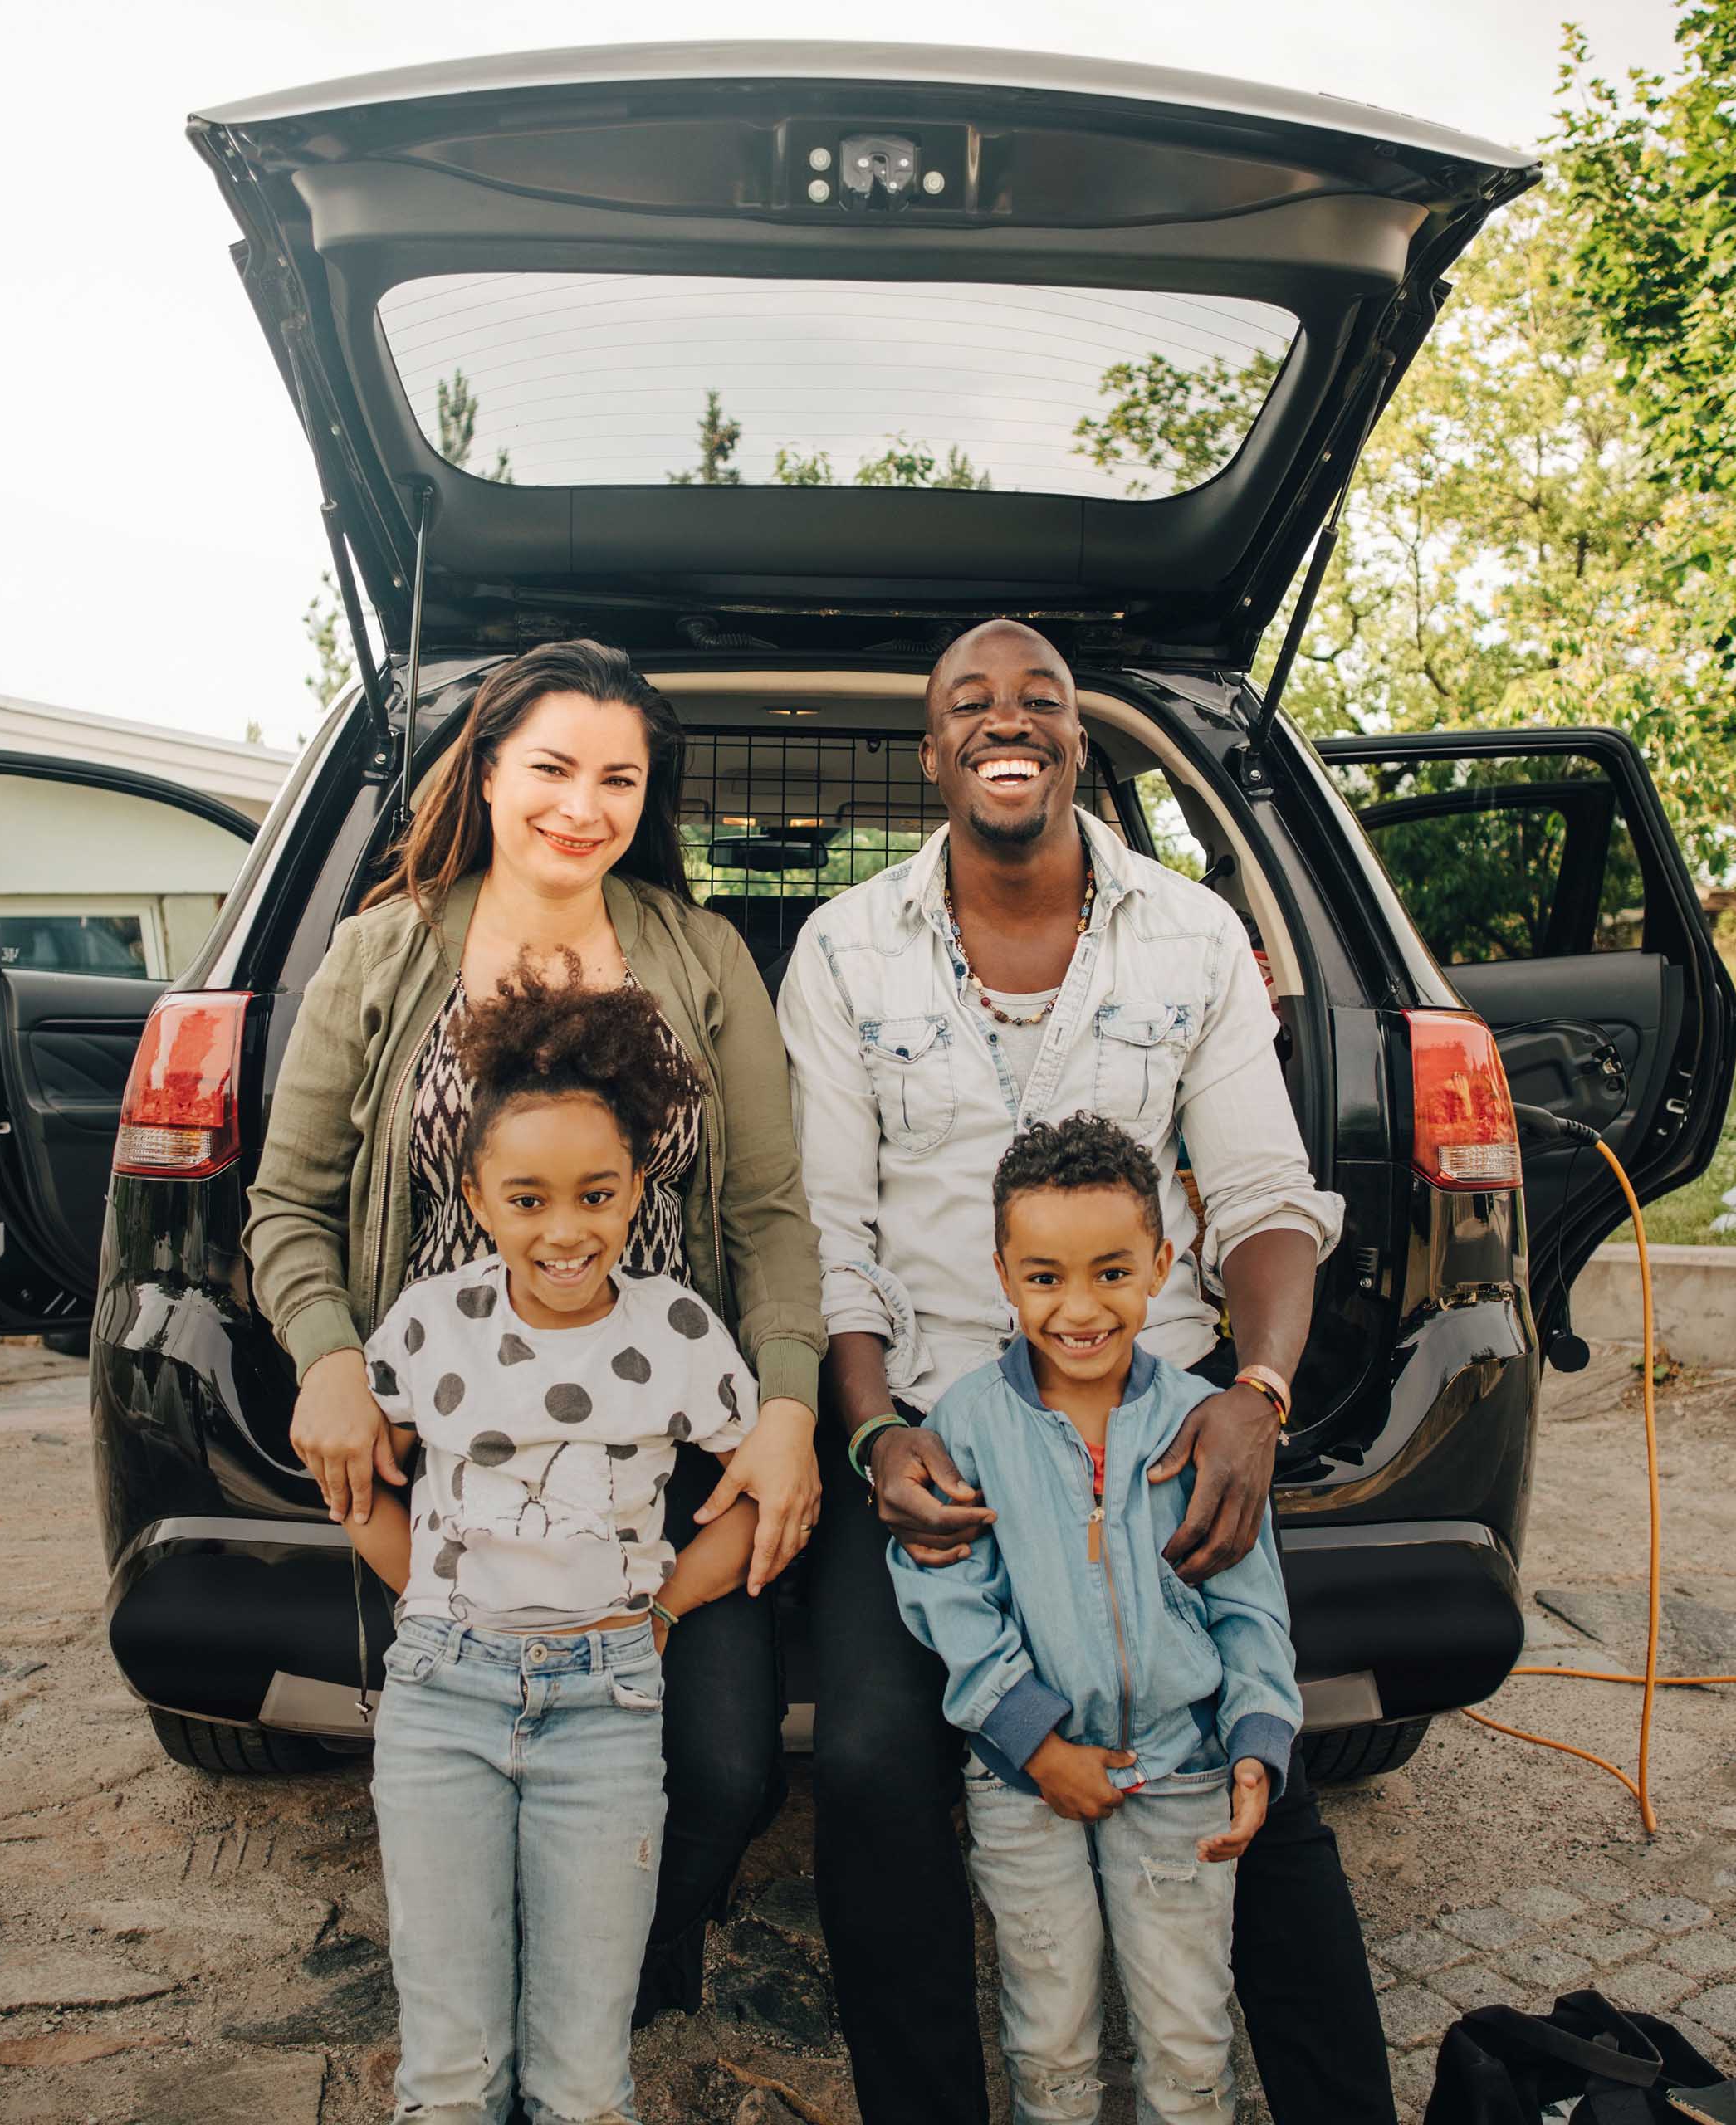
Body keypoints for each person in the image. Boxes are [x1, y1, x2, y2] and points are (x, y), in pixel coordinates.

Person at [776, 618, 1396, 2123]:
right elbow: (830, 1239)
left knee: (1269, 1755)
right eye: (971, 704)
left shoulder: (1189, 936)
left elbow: (1261, 1200)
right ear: (932, 754)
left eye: (1041, 701)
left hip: (1156, 1410)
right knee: (867, 1758)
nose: (1010, 721)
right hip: (928, 1420)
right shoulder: (844, 949)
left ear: (1078, 743)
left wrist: (1255, 1399)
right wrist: (872, 1443)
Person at [243, 639, 825, 2018]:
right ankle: (486, 2004)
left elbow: (767, 1208)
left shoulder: (699, 952)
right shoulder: (384, 953)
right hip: (447, 1444)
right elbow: (285, 1202)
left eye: (618, 777)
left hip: (662, 1435)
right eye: (554, 766)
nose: (583, 803)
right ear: (490, 767)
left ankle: (614, 1986)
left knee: (729, 1769)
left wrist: (790, 1401)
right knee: (468, 1763)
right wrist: (330, 1355)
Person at [347, 967, 764, 2124]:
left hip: (605, 1710)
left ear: (639, 1187)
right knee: (451, 2076)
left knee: (585, 2082)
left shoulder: (680, 1330)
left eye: (596, 1194)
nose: (566, 1230)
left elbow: (757, 1490)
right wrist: (431, 1599)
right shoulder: (431, 1324)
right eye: (528, 1200)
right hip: (442, 1700)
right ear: (477, 1195)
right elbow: (359, 1478)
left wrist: (664, 1612)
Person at [892, 1115, 1301, 2125]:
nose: (1079, 1308)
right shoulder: (969, 1426)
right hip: (1023, 1787)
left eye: (1112, 1272)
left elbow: (1250, 1604)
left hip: (1183, 1772)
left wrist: (1257, 1740)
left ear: (1164, 1264)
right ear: (1001, 1273)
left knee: (1188, 2034)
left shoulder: (1198, 1423)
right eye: (1044, 1278)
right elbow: (948, 1596)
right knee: (1050, 2033)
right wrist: (1035, 1745)